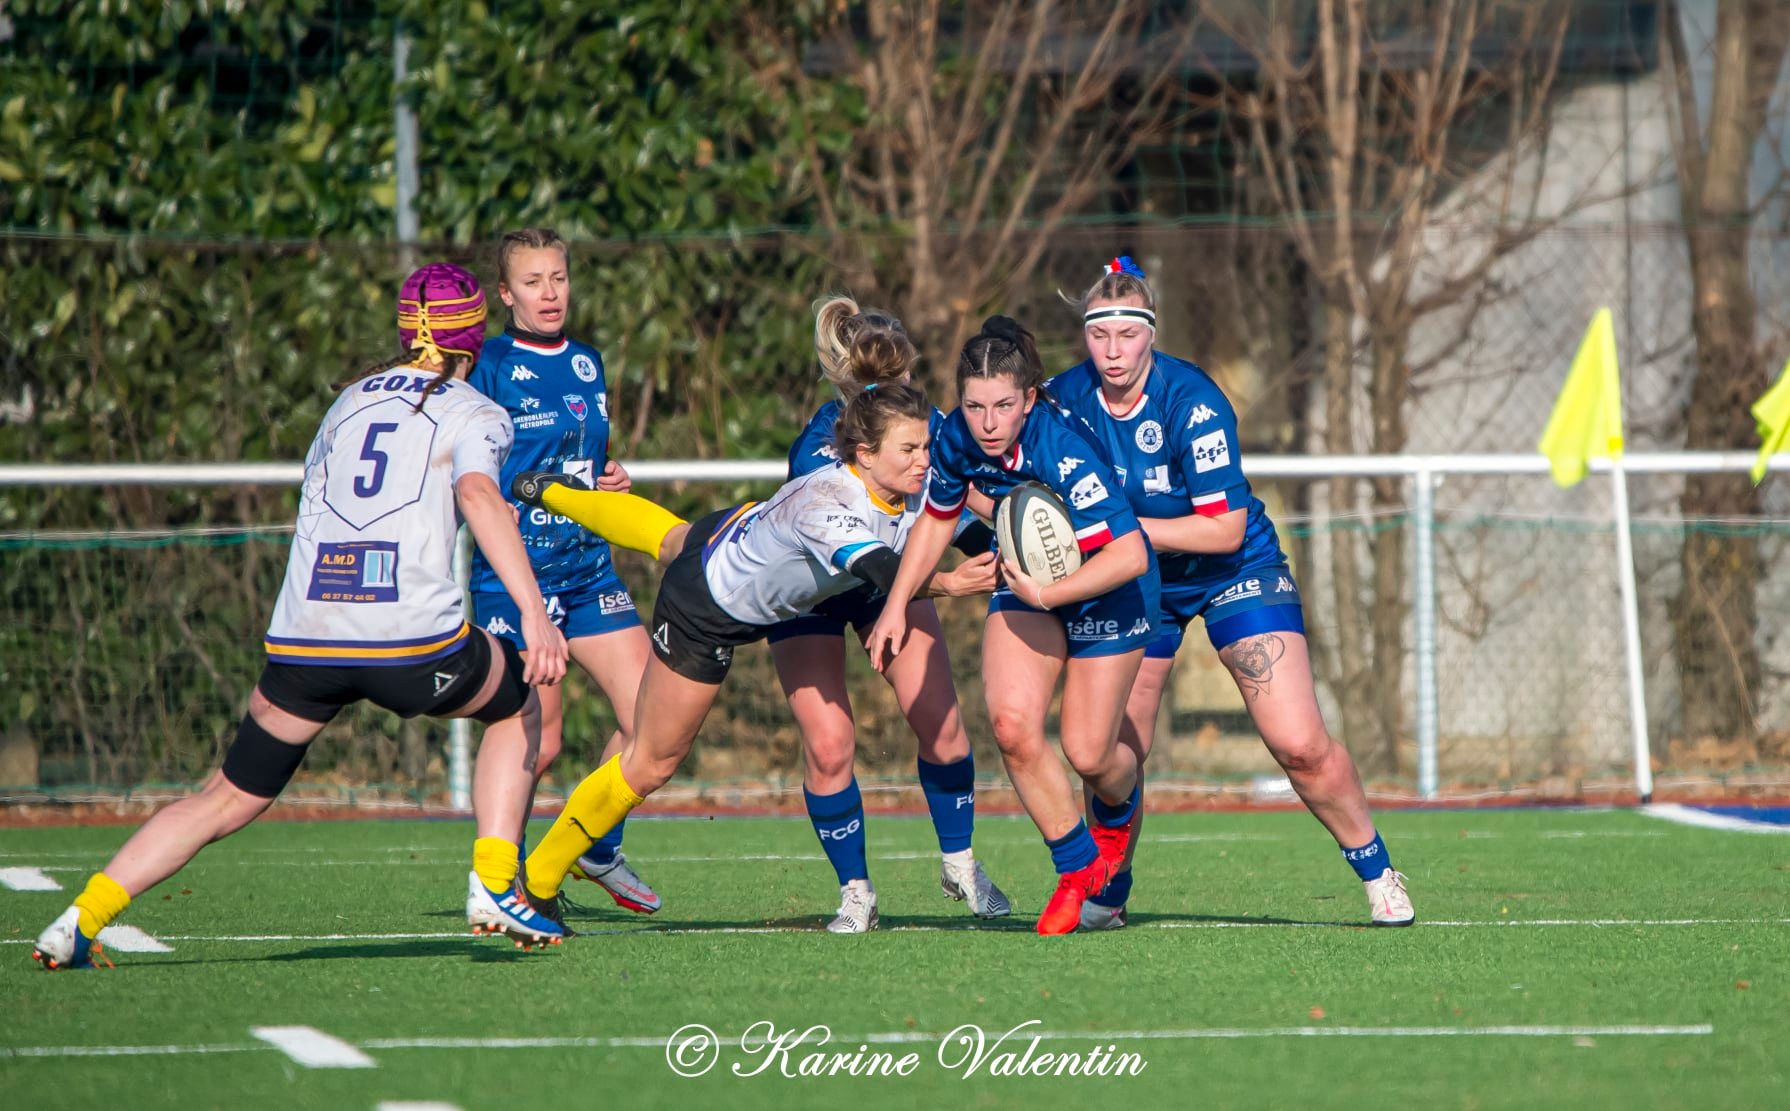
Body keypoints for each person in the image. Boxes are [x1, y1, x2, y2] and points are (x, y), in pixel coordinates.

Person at [33, 263, 572, 970]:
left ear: (407, 330)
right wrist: (534, 613)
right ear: (475, 334)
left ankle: (79, 919)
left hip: (306, 639)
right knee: (521, 700)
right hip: (411, 641)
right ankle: (496, 884)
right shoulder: (476, 410)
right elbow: (477, 493)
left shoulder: (345, 402)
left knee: (224, 795)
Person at [506, 383, 997, 929]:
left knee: (671, 535)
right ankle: (538, 882)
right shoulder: (828, 506)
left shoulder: (902, 487)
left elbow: (968, 529)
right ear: (865, 454)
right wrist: (951, 585)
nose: (924, 460)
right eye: (909, 450)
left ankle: (548, 492)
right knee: (652, 761)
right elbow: (886, 574)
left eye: (927, 447)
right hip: (704, 607)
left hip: (731, 527)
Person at [1049, 255, 1413, 928]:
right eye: (1100, 335)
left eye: (1127, 335)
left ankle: (1377, 867)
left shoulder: (1193, 401)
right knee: (1107, 752)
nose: (1112, 350)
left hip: (1232, 568)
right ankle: (1111, 882)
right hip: (1139, 579)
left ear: (1151, 332)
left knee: (1299, 743)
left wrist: (1124, 532)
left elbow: (1222, 529)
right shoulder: (1063, 399)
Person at [864, 316, 1159, 936]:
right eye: (973, 406)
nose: (988, 422)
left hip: (1111, 587)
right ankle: (1079, 871)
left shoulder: (1060, 446)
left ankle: (1121, 807)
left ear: (1028, 398)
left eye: (1003, 405)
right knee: (1011, 725)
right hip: (1032, 584)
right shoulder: (955, 441)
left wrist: (1049, 590)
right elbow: (937, 521)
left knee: (1091, 754)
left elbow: (1130, 553)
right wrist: (895, 604)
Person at [771, 296, 1006, 932]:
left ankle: (959, 864)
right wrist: (950, 582)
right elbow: (861, 552)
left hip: (889, 585)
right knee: (830, 744)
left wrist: (1009, 549)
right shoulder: (819, 449)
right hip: (812, 591)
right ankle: (856, 892)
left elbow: (951, 513)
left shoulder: (926, 435)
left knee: (944, 729)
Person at [465, 227, 661, 917]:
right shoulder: (487, 363)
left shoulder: (586, 361)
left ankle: (594, 842)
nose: (550, 293)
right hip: (520, 578)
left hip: (588, 570)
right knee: (537, 736)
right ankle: (501, 880)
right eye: (533, 281)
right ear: (506, 294)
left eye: (559, 278)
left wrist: (607, 479)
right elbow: (471, 471)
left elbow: (578, 460)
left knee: (656, 715)